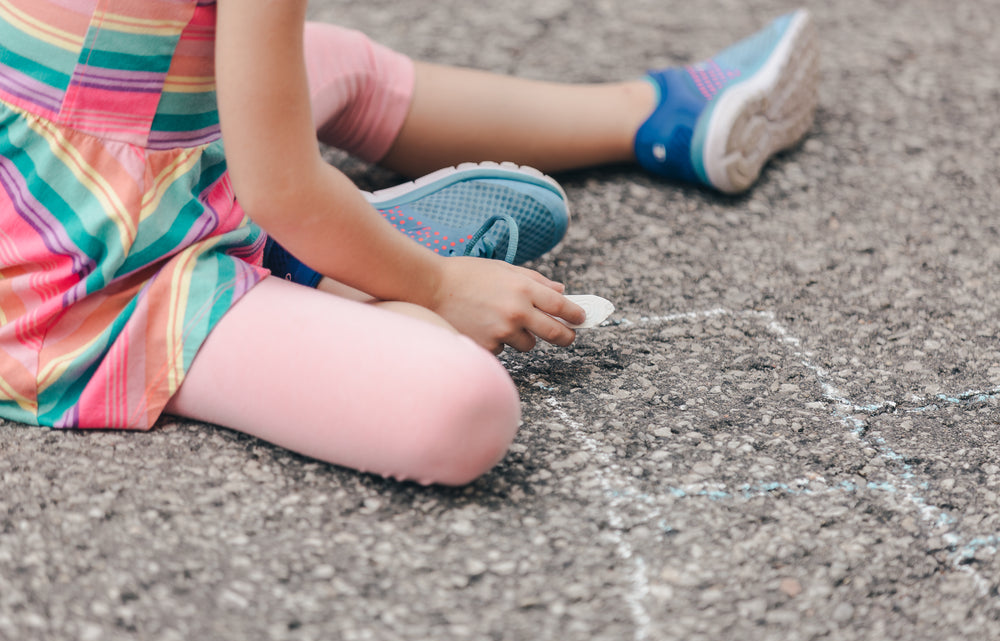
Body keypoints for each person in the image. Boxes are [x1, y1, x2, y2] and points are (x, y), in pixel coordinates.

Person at [0, 1, 818, 485]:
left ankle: (659, 115)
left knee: (314, 61)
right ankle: (317, 262)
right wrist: (434, 285)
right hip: (97, 277)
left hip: (41, 164)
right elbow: (278, 186)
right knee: (461, 405)